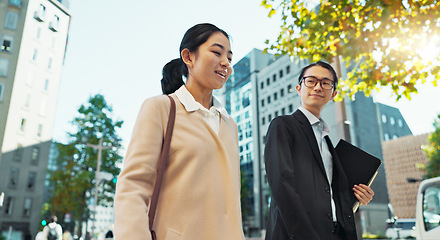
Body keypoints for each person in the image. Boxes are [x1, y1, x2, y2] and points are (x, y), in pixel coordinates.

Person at [113, 23, 245, 240]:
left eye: (229, 58)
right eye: (216, 52)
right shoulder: (161, 108)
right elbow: (133, 187)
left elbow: (232, 202)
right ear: (188, 57)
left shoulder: (230, 125)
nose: (226, 63)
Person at [264, 61, 375, 240]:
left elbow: (329, 192)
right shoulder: (283, 125)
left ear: (333, 94)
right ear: (299, 87)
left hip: (336, 233)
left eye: (325, 83)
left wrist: (357, 197)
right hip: (299, 235)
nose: (318, 87)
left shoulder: (328, 142)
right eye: (311, 81)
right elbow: (281, 183)